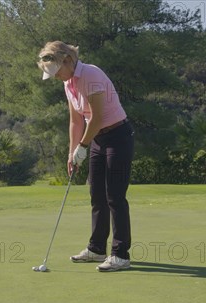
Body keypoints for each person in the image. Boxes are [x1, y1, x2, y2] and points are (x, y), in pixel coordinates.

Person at [37, 41, 134, 272]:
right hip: (98, 139)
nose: (56, 76)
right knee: (97, 195)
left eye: (57, 71)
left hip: (118, 136)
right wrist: (73, 152)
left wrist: (83, 146)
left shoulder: (90, 75)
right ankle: (97, 248)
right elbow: (76, 120)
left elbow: (98, 117)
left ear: (67, 61)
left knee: (115, 196)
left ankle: (120, 255)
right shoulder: (68, 82)